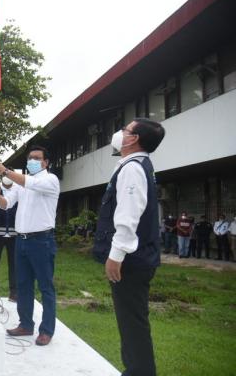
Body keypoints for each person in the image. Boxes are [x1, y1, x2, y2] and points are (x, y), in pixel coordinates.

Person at [92, 118, 165, 376]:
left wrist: (116, 254)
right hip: (136, 258)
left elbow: (128, 214)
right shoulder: (134, 165)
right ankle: (135, 369)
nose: (120, 133)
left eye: (125, 130)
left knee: (132, 323)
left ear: (133, 139)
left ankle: (139, 371)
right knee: (131, 322)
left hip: (131, 261)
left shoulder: (133, 168)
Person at [0, 146, 60, 347]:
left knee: (46, 287)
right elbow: (6, 204)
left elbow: (29, 182)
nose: (32, 161)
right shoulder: (21, 184)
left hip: (42, 240)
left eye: (37, 158)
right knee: (23, 285)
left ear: (46, 162)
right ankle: (26, 324)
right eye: (30, 158)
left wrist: (4, 170)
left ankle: (46, 330)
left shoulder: (50, 180)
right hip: (22, 240)